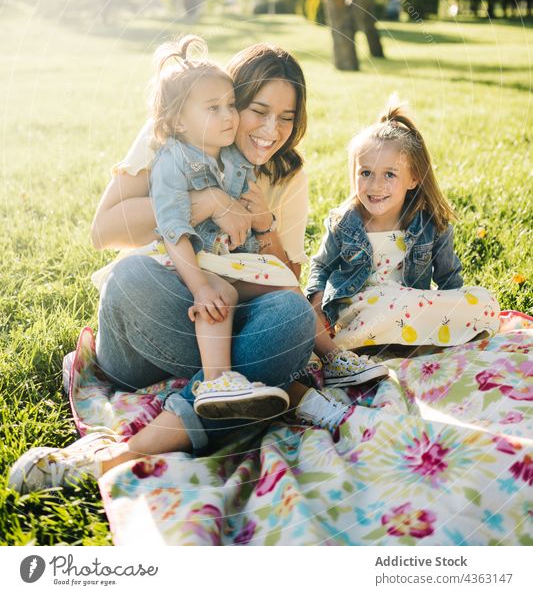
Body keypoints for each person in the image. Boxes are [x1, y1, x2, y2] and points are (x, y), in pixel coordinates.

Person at [8, 41, 326, 493]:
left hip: (225, 318)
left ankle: (121, 454)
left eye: (287, 118)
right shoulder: (169, 132)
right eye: (257, 110)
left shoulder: (286, 174)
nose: (270, 131)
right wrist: (208, 201)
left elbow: (285, 279)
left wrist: (263, 222)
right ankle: (245, 384)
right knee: (130, 276)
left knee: (292, 319)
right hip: (153, 321)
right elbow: (104, 231)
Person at [138, 34, 299, 421]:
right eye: (216, 108)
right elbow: (172, 226)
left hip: (226, 260)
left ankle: (329, 356)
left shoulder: (233, 158)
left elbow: (254, 222)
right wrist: (200, 284)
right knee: (220, 293)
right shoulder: (172, 158)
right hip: (188, 264)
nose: (228, 116)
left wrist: (263, 223)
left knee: (287, 288)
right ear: (178, 120)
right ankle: (216, 381)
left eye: (230, 105)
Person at [305, 95, 500, 367]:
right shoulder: (343, 222)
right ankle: (356, 344)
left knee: (485, 301)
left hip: (411, 307)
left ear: (413, 178)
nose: (375, 185)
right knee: (388, 301)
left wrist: (456, 308)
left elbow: (449, 277)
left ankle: (412, 339)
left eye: (389, 174)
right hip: (363, 310)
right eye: (365, 173)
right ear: (353, 173)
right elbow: (321, 268)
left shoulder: (431, 223)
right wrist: (317, 310)